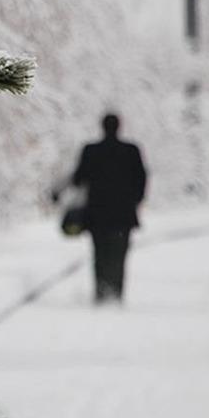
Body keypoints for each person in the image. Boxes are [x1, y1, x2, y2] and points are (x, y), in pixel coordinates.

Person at [61, 113, 147, 304]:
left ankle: (101, 292)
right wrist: (135, 200)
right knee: (119, 254)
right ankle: (116, 292)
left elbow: (78, 178)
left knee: (100, 253)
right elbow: (141, 179)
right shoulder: (131, 151)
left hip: (97, 214)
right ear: (119, 127)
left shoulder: (91, 150)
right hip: (123, 215)